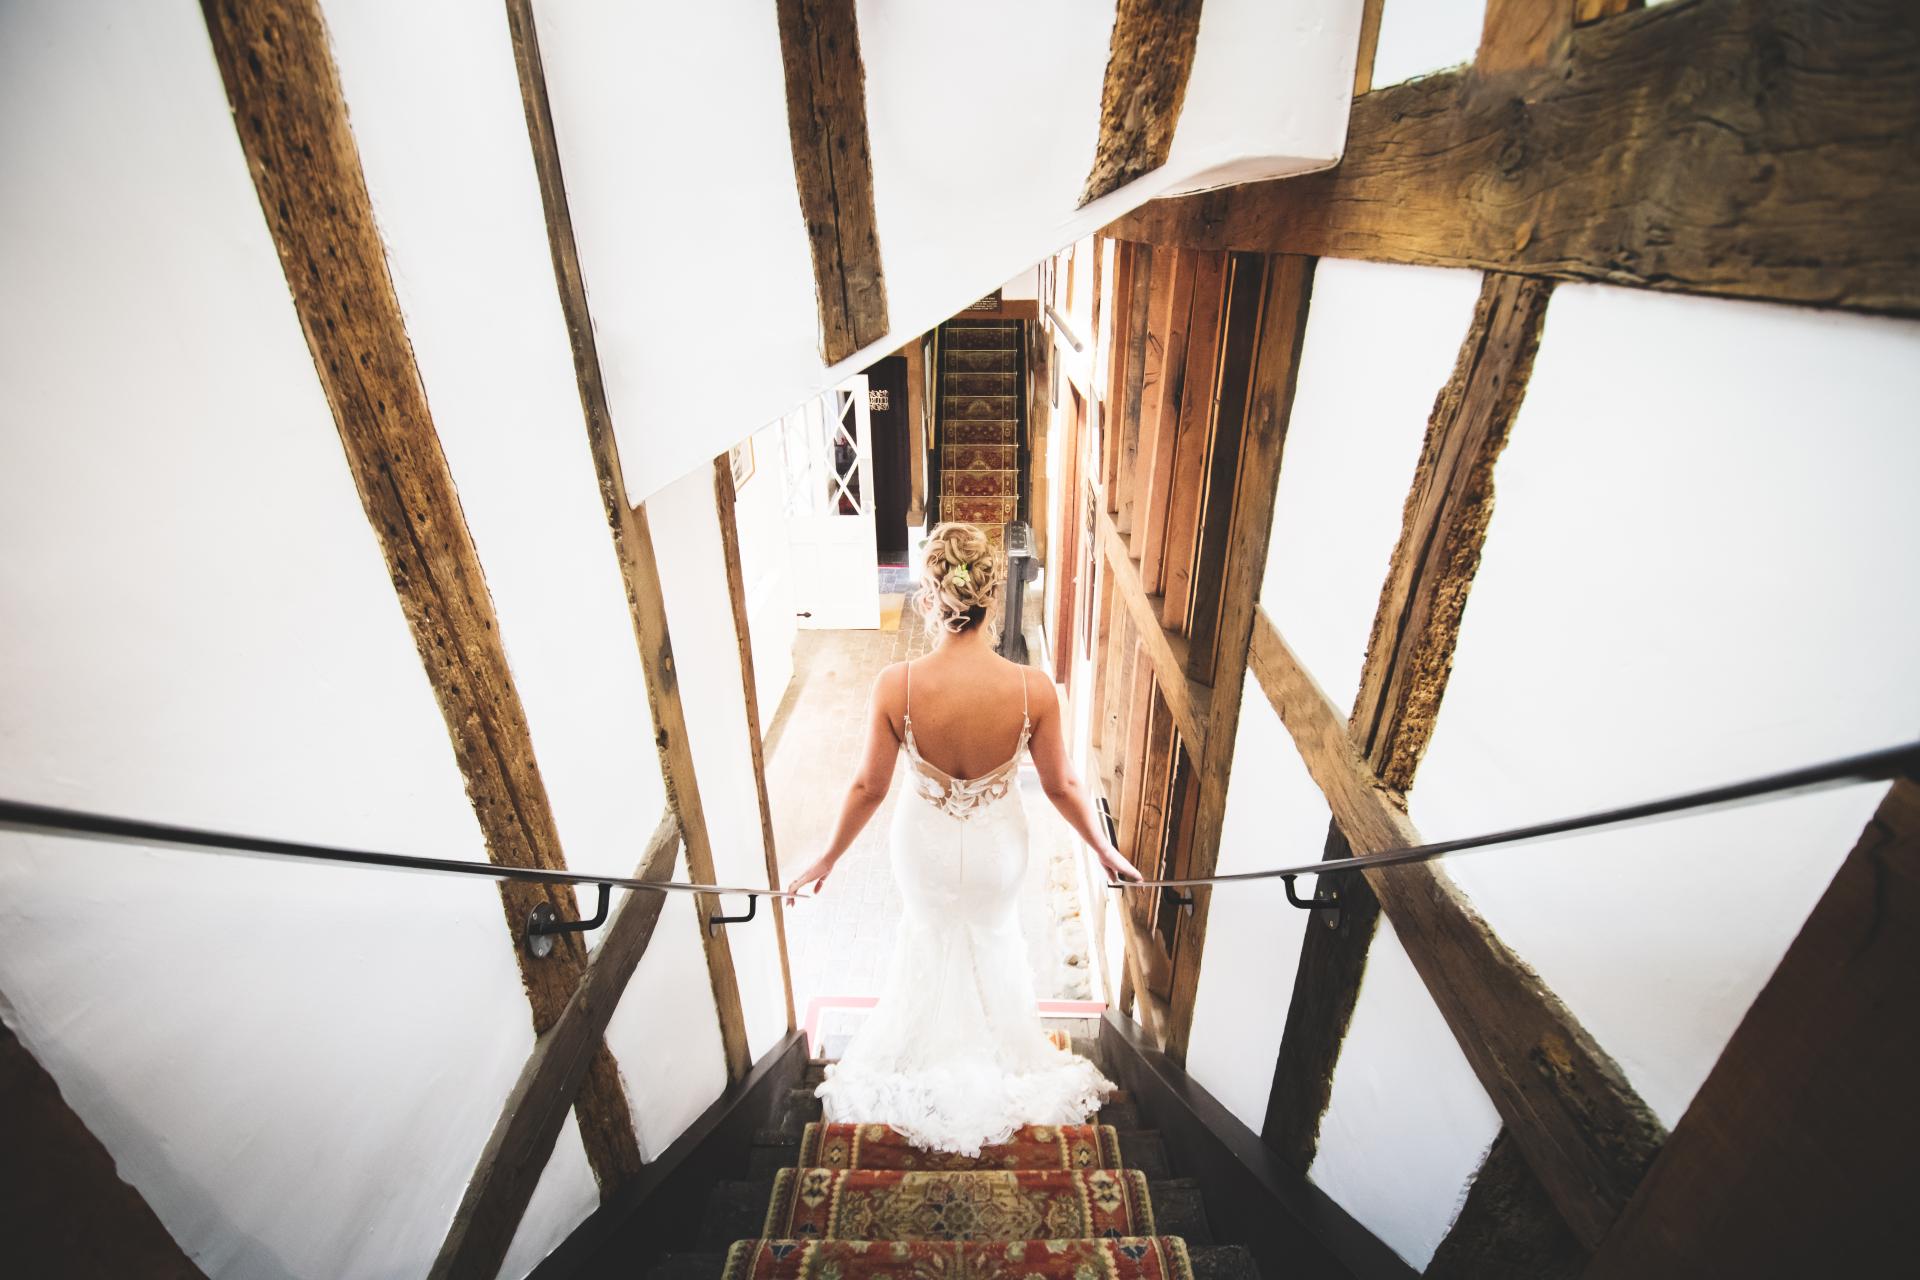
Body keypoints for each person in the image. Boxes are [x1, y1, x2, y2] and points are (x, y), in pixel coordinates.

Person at [783, 521, 1146, 1155]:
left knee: (926, 936)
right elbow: (1061, 785)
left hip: (921, 848)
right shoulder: (1033, 690)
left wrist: (826, 860)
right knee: (994, 940)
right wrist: (1105, 850)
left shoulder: (896, 686)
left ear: (930, 596)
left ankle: (918, 1060)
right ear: (990, 591)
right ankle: (1006, 1058)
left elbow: (868, 788)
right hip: (998, 855)